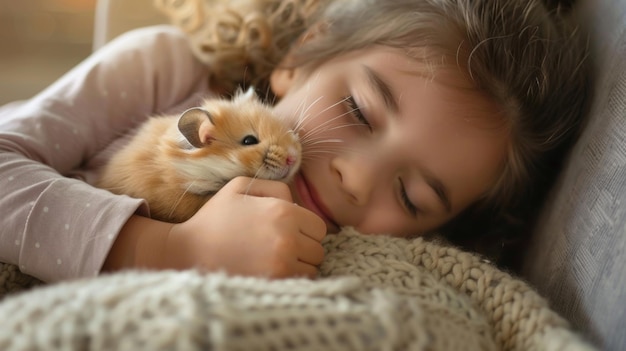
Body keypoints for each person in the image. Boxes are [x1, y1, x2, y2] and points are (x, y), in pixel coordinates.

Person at [0, 0, 589, 282]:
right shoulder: (160, 71)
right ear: (302, 55)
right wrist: (164, 249)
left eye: (411, 197)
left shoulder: (361, 276)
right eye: (358, 110)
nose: (355, 178)